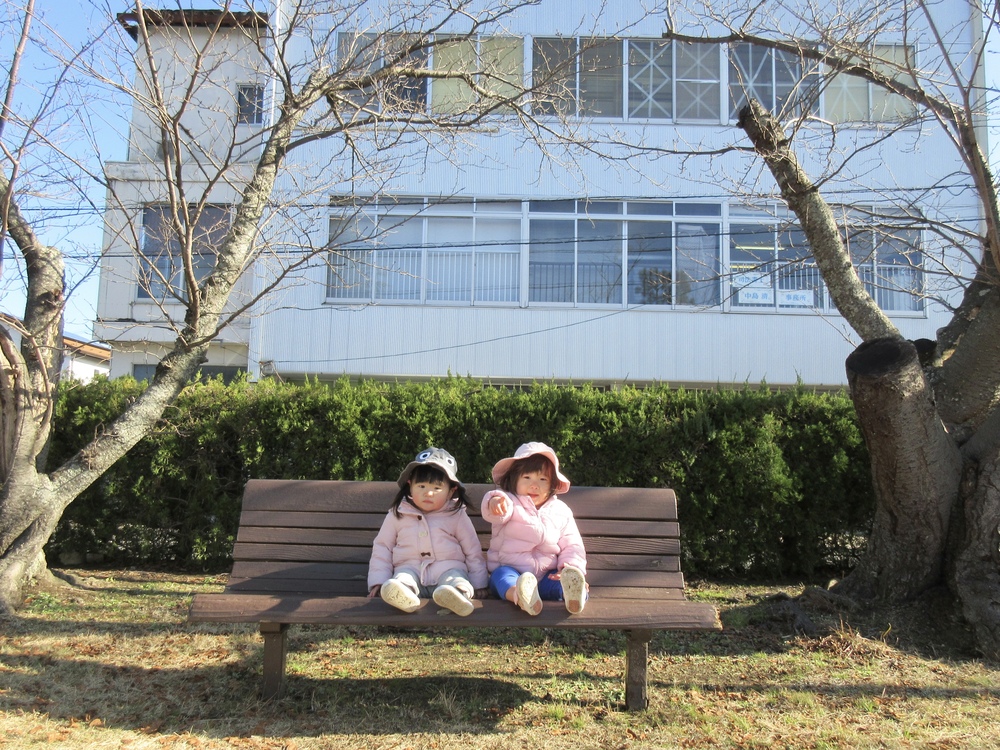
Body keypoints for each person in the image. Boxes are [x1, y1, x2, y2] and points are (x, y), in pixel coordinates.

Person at [368, 447, 488, 616]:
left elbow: (472, 549)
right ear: (410, 485)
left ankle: (457, 596)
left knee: (455, 578)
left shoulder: (456, 514)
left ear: (451, 490)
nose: (428, 493)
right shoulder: (398, 513)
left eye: (437, 488)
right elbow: (383, 547)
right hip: (410, 569)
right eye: (421, 486)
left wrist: (478, 583)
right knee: (403, 578)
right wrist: (379, 581)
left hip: (447, 569)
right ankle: (401, 595)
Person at [481, 442, 588, 616]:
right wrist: (494, 502)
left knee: (561, 582)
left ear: (553, 484)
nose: (534, 485)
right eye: (527, 478)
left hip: (547, 574)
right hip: (511, 570)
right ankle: (520, 595)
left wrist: (571, 568)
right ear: (514, 480)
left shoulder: (561, 511)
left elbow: (572, 544)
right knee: (500, 578)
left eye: (543, 479)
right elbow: (495, 509)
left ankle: (574, 594)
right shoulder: (509, 502)